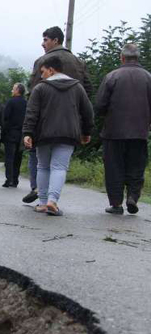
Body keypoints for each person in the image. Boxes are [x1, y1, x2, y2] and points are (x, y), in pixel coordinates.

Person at [23, 26, 93, 204]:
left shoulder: (42, 61)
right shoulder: (78, 62)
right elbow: (88, 92)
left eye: (45, 39)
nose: (42, 43)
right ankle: (51, 200)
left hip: (44, 123)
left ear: (56, 40)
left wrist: (28, 130)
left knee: (40, 162)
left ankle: (39, 190)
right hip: (70, 124)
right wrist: (83, 125)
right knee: (60, 165)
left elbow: (33, 95)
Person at [95, 43, 151, 215]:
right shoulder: (148, 77)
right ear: (138, 58)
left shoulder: (112, 76)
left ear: (122, 57)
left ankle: (116, 204)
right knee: (136, 167)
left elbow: (99, 105)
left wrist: (104, 116)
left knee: (114, 168)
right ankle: (133, 196)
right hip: (140, 131)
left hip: (114, 131)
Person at [1, 83, 27, 188]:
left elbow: (5, 118)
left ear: (17, 91)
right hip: (22, 134)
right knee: (18, 158)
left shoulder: (10, 102)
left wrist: (3, 132)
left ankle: (9, 179)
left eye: (13, 89)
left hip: (10, 133)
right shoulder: (26, 103)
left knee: (9, 158)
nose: (12, 91)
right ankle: (15, 180)